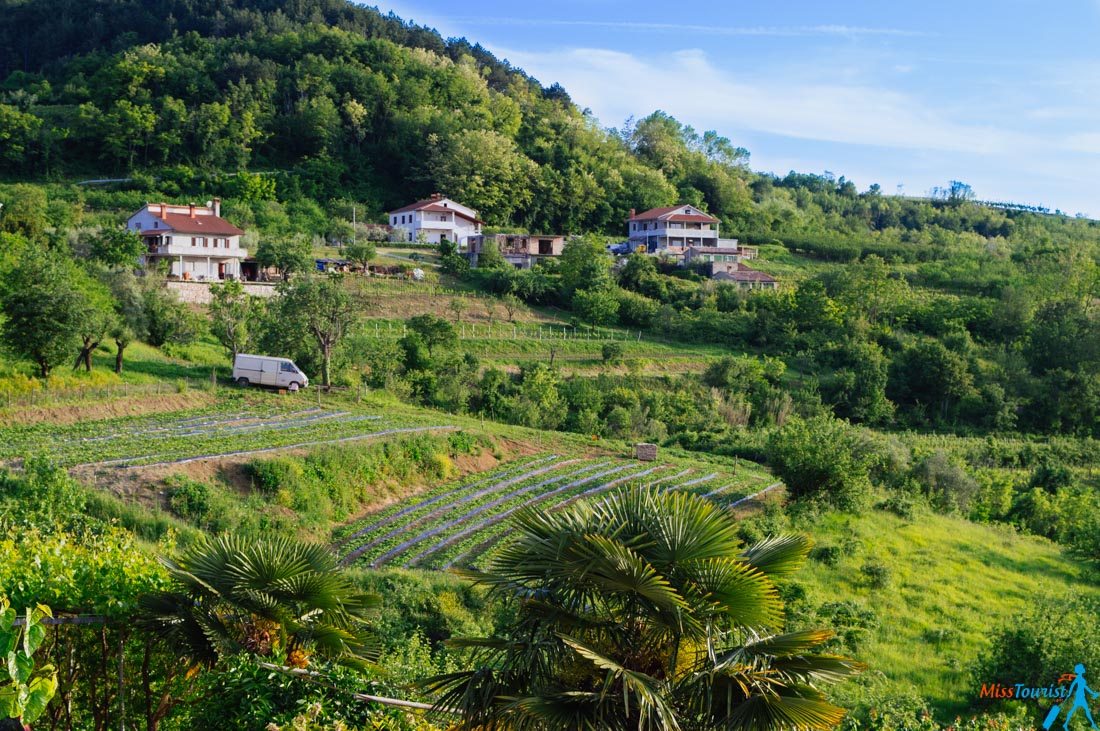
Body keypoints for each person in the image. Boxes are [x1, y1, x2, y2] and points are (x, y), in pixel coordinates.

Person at [1065, 664, 1100, 731]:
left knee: (1082, 710)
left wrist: (1093, 693)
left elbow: (1085, 687)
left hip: (1081, 696)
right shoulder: (1078, 677)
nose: (1084, 669)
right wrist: (1069, 693)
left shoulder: (1082, 678)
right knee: (1076, 710)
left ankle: (1065, 724)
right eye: (1083, 668)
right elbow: (1072, 685)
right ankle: (1066, 724)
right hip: (1079, 696)